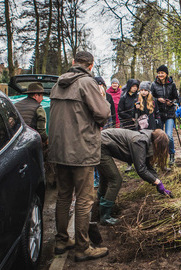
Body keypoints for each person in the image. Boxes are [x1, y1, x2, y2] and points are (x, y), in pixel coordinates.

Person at [48, 51, 111, 262]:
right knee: (84, 200)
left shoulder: (58, 83)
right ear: (91, 66)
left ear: (73, 63)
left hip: (59, 151)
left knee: (64, 196)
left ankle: (61, 240)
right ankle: (83, 247)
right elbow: (103, 114)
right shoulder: (87, 83)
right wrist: (103, 98)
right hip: (81, 150)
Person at [96, 128, 172, 225]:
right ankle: (105, 217)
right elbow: (141, 169)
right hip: (100, 145)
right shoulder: (140, 141)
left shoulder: (147, 141)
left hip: (101, 143)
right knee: (115, 180)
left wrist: (158, 181)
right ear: (157, 143)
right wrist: (157, 182)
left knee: (106, 177)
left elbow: (147, 165)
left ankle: (99, 205)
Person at [151, 65, 179, 166]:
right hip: (158, 114)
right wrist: (157, 99)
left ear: (166, 74)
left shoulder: (172, 84)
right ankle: (159, 157)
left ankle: (171, 155)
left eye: (162, 73)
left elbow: (176, 98)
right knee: (158, 137)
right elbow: (151, 97)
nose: (160, 75)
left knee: (169, 136)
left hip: (170, 114)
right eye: (159, 73)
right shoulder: (154, 85)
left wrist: (171, 102)